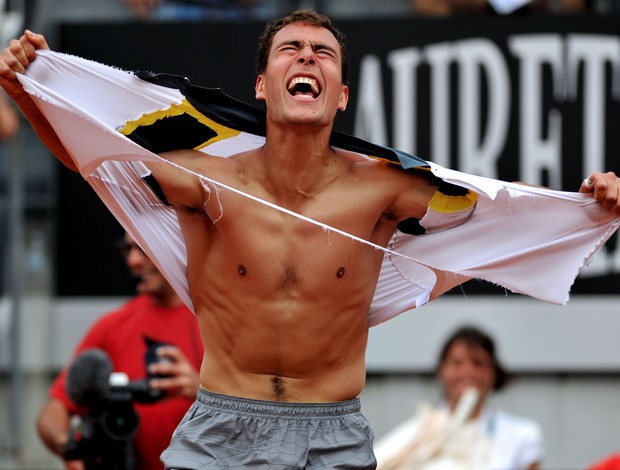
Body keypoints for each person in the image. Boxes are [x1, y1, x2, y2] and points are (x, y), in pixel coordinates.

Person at [1, 10, 620, 468]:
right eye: (290, 49)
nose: (306, 58)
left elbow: (502, 212)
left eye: (323, 53)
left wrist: (593, 204)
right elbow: (96, 163)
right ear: (263, 87)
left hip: (334, 435)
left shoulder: (383, 191)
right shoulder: (205, 176)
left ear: (342, 94)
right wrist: (25, 93)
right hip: (218, 431)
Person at [36, 232, 203, 470]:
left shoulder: (219, 323)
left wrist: (201, 391)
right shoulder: (112, 326)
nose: (133, 261)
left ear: (179, 245)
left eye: (145, 248)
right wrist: (69, 447)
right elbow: (55, 409)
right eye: (128, 249)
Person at [374, 325, 542, 469]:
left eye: (478, 363)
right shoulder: (417, 432)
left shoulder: (522, 435)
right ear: (442, 370)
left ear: (494, 372)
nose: (467, 372)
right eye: (457, 363)